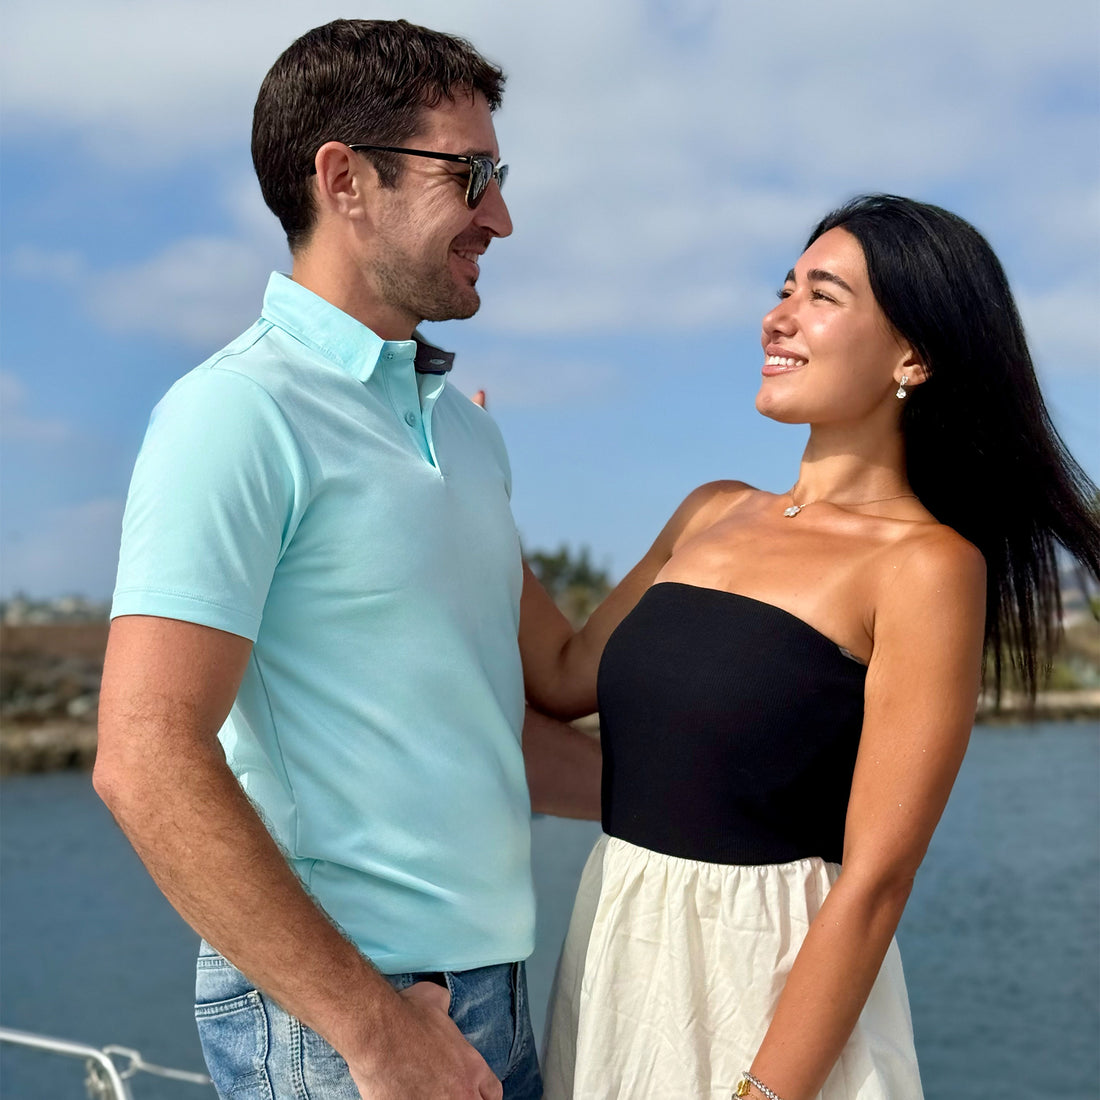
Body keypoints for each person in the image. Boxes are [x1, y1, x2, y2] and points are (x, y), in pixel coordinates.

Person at [94, 19, 600, 1100]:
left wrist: (720, 799)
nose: (500, 216)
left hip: (490, 986)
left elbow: (489, 710)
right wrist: (373, 1026)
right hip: (341, 1020)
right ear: (345, 179)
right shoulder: (235, 412)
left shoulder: (464, 432)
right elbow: (143, 755)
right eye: (471, 174)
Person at [518, 194, 1100, 1099]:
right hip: (613, 971)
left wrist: (763, 1094)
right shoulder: (710, 510)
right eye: (784, 287)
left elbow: (876, 881)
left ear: (914, 355)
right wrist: (465, 494)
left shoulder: (927, 566)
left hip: (767, 1008)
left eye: (822, 295)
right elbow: (558, 682)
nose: (777, 315)